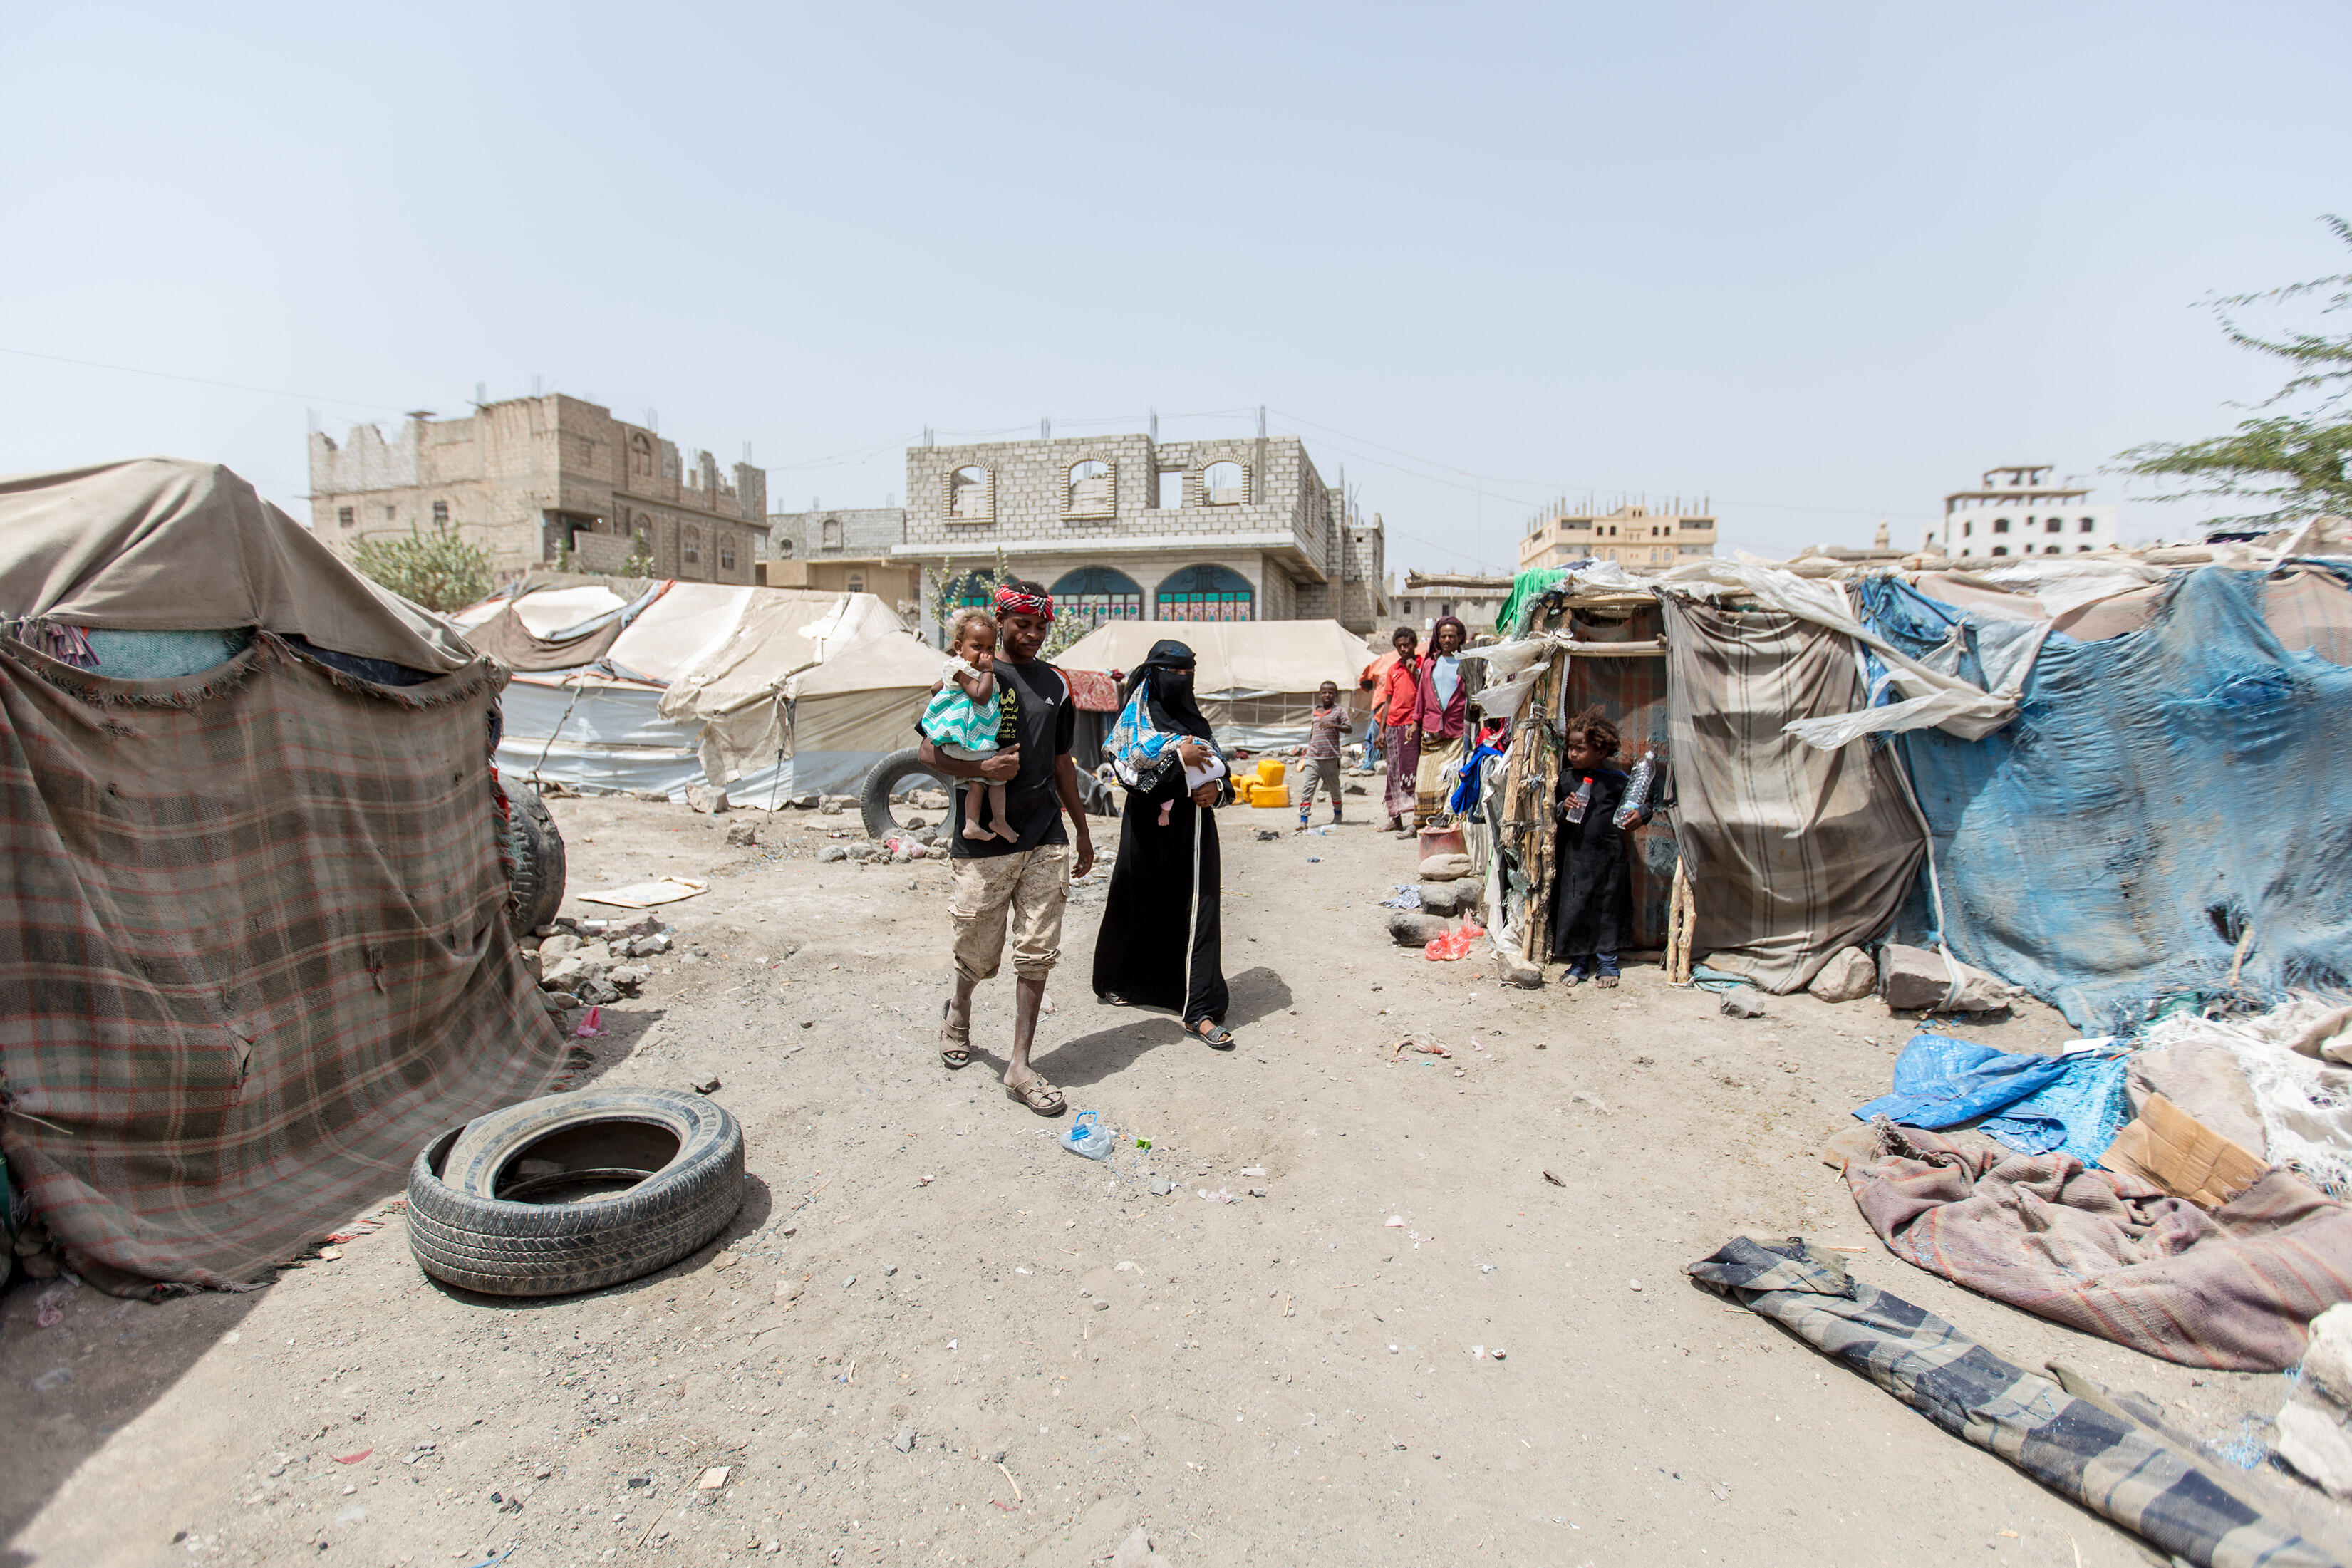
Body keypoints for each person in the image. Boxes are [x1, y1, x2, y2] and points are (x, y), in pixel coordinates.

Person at [915, 581, 1096, 1115]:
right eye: (1023, 624)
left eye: (1041, 626)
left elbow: (1063, 760)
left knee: (1037, 948)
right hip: (984, 837)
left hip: (1044, 831)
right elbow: (928, 751)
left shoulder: (1057, 684)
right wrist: (980, 769)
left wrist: (1083, 830)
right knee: (976, 945)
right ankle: (959, 1013)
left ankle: (1019, 1064)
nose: (1034, 634)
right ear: (1000, 621)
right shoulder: (965, 673)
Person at [1092, 640, 1237, 1047]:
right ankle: (1122, 980)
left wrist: (1217, 790)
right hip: (1145, 827)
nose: (1182, 680)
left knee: (1199, 911)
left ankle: (1201, 1010)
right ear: (1155, 674)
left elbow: (1222, 771)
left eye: (1188, 673)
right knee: (1136, 900)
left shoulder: (1195, 720)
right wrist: (1179, 758)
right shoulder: (1133, 722)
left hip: (1193, 832)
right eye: (1173, 673)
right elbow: (1129, 776)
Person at [1548, 706, 1645, 987]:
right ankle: (1579, 964)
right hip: (1576, 858)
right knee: (1575, 907)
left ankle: (1607, 962)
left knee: (1607, 908)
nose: (1573, 754)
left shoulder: (1617, 782)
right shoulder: (1566, 779)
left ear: (1601, 751)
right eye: (1571, 748)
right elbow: (1551, 813)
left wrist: (1640, 815)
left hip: (1610, 858)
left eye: (1581, 749)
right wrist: (1562, 807)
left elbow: (1641, 804)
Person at [919, 608, 1019, 843]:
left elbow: (935, 688)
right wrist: (986, 671)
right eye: (977, 647)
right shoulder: (963, 670)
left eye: (990, 649)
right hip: (961, 740)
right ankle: (998, 820)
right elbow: (981, 697)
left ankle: (973, 823)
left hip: (967, 740)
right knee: (996, 774)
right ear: (958, 647)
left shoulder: (965, 671)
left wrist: (947, 691)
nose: (985, 654)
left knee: (977, 783)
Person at [1411, 616, 1470, 828]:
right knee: (1426, 774)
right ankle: (1422, 820)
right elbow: (1422, 695)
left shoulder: (1467, 662)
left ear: (1460, 637)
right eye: (1443, 636)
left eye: (1452, 636)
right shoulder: (1429, 664)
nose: (1447, 640)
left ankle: (1445, 820)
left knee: (1450, 776)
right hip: (1431, 728)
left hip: (1457, 729)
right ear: (1438, 638)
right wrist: (1415, 722)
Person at [1376, 627, 1421, 834]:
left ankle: (1416, 819)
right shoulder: (1393, 669)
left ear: (1414, 645)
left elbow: (1428, 691)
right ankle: (1395, 819)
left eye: (1407, 645)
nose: (1404, 649)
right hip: (1393, 726)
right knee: (1393, 772)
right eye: (1400, 646)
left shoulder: (1422, 664)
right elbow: (1388, 699)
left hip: (1411, 725)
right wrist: (1381, 730)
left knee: (1411, 770)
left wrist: (1416, 673)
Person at [1295, 680, 1351, 829]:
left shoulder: (1340, 711)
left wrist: (1334, 725)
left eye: (1331, 693)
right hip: (1313, 757)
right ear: (1320, 694)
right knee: (1308, 788)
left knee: (1334, 790)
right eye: (1324, 692)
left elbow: (1349, 728)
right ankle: (1303, 820)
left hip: (1331, 758)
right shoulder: (1314, 711)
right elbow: (1313, 733)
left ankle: (1338, 814)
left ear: (1336, 695)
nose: (1327, 695)